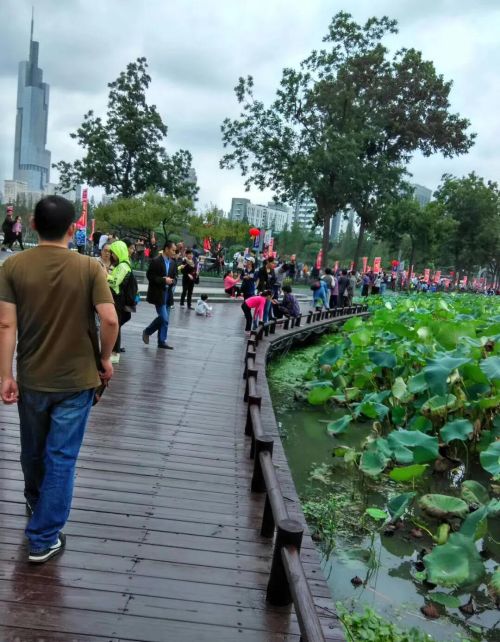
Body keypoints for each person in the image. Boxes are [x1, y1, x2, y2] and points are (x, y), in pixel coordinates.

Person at [0, 195, 118, 564]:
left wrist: (6, 374)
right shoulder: (89, 268)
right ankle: (43, 537)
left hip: (32, 378)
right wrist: (104, 358)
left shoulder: (13, 266)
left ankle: (38, 504)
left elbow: (6, 325)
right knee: (62, 457)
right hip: (76, 381)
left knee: (33, 451)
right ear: (73, 228)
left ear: (32, 224)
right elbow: (110, 319)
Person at [142, 240, 177, 349]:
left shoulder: (173, 263)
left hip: (168, 294)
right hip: (158, 294)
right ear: (166, 249)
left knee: (166, 320)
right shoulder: (156, 261)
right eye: (173, 250)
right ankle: (147, 331)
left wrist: (172, 281)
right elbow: (150, 276)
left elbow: (176, 277)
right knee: (164, 318)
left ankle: (162, 341)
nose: (174, 252)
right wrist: (163, 280)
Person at [107, 240, 133, 362]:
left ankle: (115, 352)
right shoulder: (124, 264)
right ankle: (113, 352)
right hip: (118, 299)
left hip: (118, 300)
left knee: (115, 327)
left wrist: (104, 275)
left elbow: (114, 282)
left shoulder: (123, 266)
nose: (112, 255)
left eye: (113, 252)